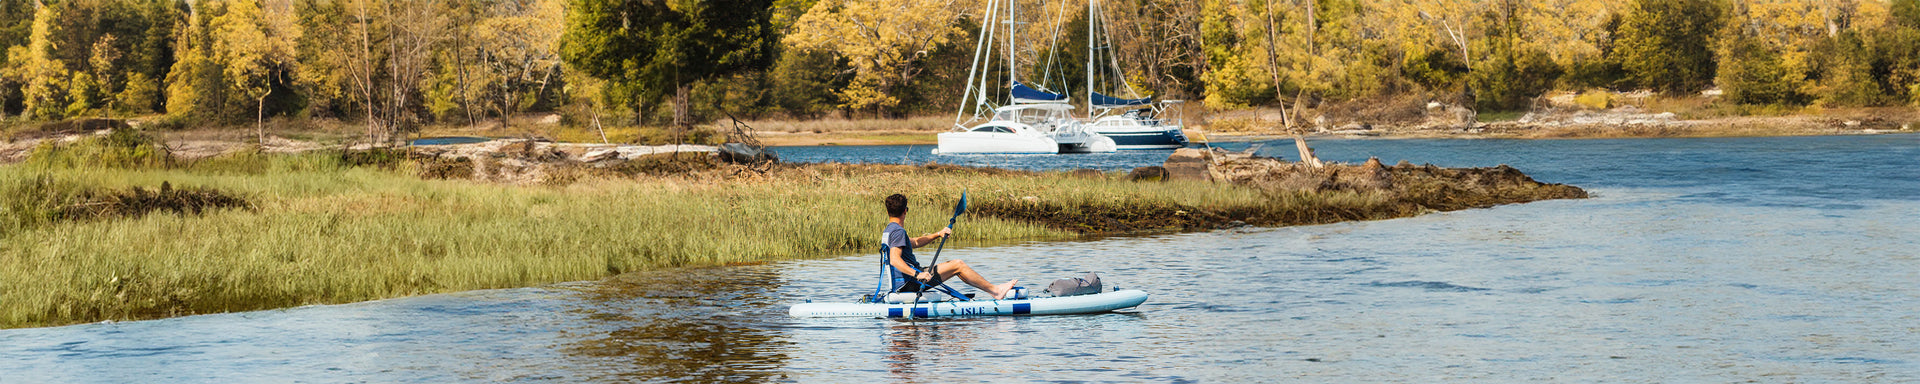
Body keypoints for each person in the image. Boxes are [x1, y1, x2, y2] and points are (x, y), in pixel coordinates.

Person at [882, 194, 1019, 300]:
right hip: (909, 283)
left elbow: (914, 242)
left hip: (902, 282)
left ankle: (993, 290)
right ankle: (995, 291)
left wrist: (938, 234)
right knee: (958, 265)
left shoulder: (889, 230)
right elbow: (895, 259)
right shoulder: (898, 231)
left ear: (888, 212)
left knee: (956, 266)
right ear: (905, 211)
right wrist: (919, 275)